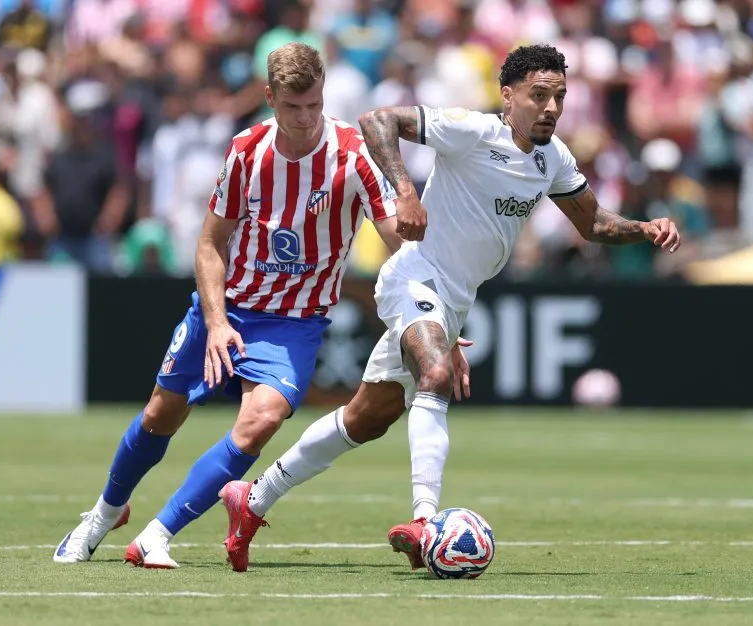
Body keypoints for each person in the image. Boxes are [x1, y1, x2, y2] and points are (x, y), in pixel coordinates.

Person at [218, 44, 682, 572]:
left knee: (366, 419)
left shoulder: (554, 160)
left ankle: (251, 500)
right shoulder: (473, 130)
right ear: (508, 97)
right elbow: (377, 121)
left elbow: (593, 224)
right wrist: (405, 192)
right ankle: (425, 522)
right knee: (436, 372)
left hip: (454, 299)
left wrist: (646, 229)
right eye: (539, 96)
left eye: (559, 97)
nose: (551, 108)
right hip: (413, 275)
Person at [52, 42, 409, 568]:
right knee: (160, 415)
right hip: (228, 307)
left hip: (296, 321)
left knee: (260, 420)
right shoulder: (247, 151)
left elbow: (396, 241)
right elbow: (209, 244)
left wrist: (430, 305)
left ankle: (157, 533)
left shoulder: (354, 155)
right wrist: (217, 323)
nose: (306, 118)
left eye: (314, 105)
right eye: (292, 107)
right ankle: (105, 513)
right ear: (269, 98)